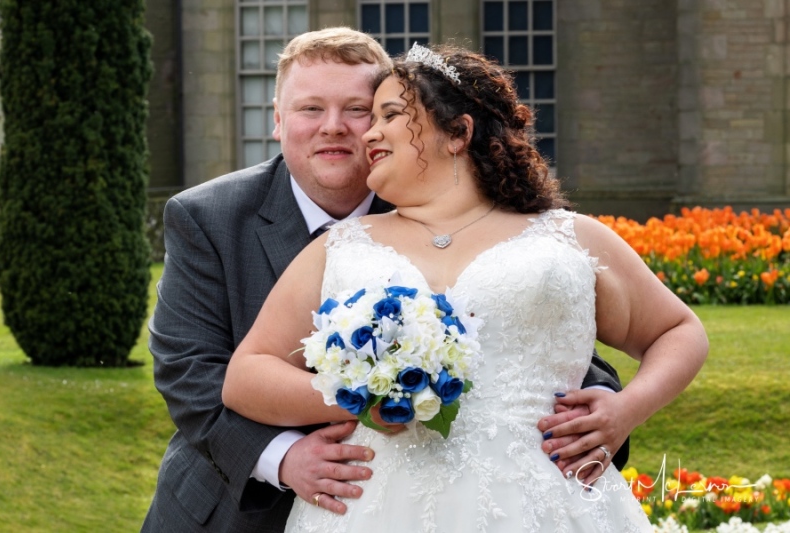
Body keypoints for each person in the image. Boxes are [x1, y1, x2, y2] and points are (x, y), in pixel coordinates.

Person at [143, 26, 624, 531]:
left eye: (357, 110)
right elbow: (189, 370)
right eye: (310, 109)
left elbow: (537, 333)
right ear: (278, 121)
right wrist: (281, 457)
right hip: (237, 503)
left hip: (421, 502)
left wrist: (606, 412)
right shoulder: (208, 217)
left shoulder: (444, 208)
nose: (334, 127)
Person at [221, 43, 709, 531]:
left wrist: (627, 409)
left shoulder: (569, 238)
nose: (368, 133)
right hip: (375, 507)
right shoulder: (342, 248)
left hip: (548, 505)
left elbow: (679, 330)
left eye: (389, 115)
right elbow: (246, 376)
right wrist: (363, 394)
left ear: (457, 132)